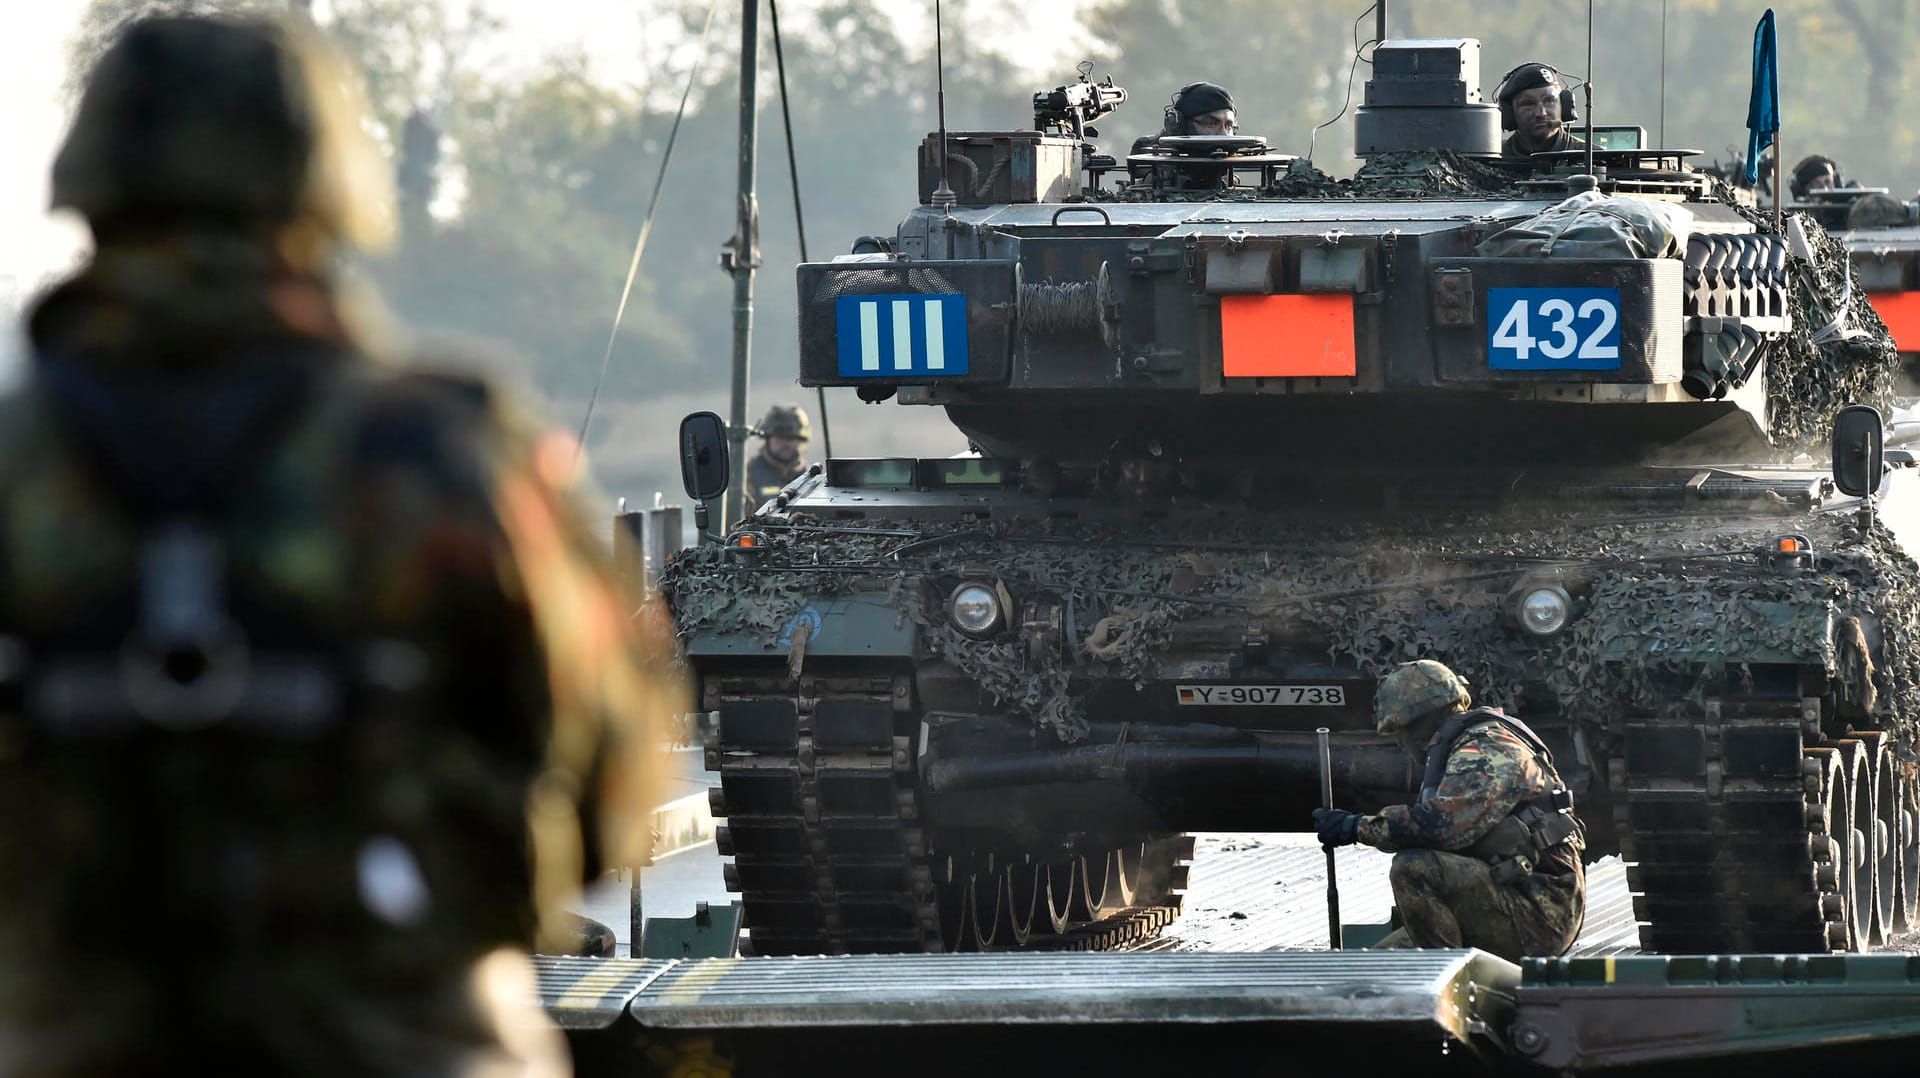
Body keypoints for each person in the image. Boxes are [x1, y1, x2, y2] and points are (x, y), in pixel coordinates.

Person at [0, 13, 684, 1074]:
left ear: (90, 192)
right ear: (324, 195)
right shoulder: (444, 455)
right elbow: (610, 781)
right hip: (405, 1034)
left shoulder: (15, 465)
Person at [1311, 660, 1586, 962]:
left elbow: (1440, 826)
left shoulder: (1486, 750)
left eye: (1399, 731)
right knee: (1380, 966)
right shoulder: (1465, 745)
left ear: (1417, 722)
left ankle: (1449, 986)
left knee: (1413, 869)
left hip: (1539, 913)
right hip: (1508, 896)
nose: (1401, 742)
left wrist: (1355, 827)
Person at [1495, 62, 1587, 159]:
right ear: (1510, 112)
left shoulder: (1593, 159)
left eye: (1549, 101)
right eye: (1529, 104)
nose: (1541, 113)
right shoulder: (1492, 159)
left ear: (1564, 105)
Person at [741, 402, 811, 522]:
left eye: (791, 437)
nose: (785, 443)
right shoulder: (748, 474)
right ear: (768, 438)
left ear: (801, 440)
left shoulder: (812, 479)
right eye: (779, 437)